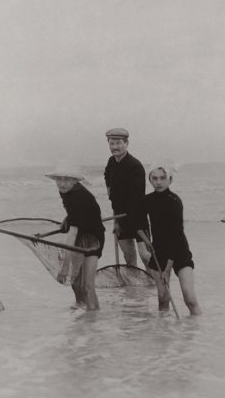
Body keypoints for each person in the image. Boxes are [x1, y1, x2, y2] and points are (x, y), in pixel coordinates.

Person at [138, 163, 201, 316]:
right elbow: (137, 222)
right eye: (154, 178)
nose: (158, 182)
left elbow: (177, 235)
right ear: (150, 180)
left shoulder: (175, 201)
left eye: (162, 178)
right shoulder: (147, 200)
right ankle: (165, 335)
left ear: (170, 180)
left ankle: (196, 333)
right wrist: (145, 239)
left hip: (179, 251)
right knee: (163, 298)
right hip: (158, 251)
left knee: (190, 298)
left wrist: (167, 270)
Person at [46, 161, 105, 311]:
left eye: (67, 180)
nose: (62, 183)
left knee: (87, 286)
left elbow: (72, 234)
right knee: (76, 283)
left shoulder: (80, 196)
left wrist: (64, 268)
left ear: (75, 181)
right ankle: (81, 313)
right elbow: (74, 210)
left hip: (93, 238)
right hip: (80, 232)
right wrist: (69, 218)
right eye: (59, 179)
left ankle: (93, 320)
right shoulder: (65, 190)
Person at [103, 127, 150, 268]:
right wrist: (116, 217)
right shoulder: (111, 162)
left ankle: (155, 284)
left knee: (146, 256)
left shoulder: (135, 166)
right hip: (120, 217)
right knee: (129, 256)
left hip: (138, 217)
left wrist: (128, 216)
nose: (114, 147)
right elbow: (107, 180)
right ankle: (136, 288)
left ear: (126, 143)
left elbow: (138, 198)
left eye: (118, 143)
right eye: (112, 143)